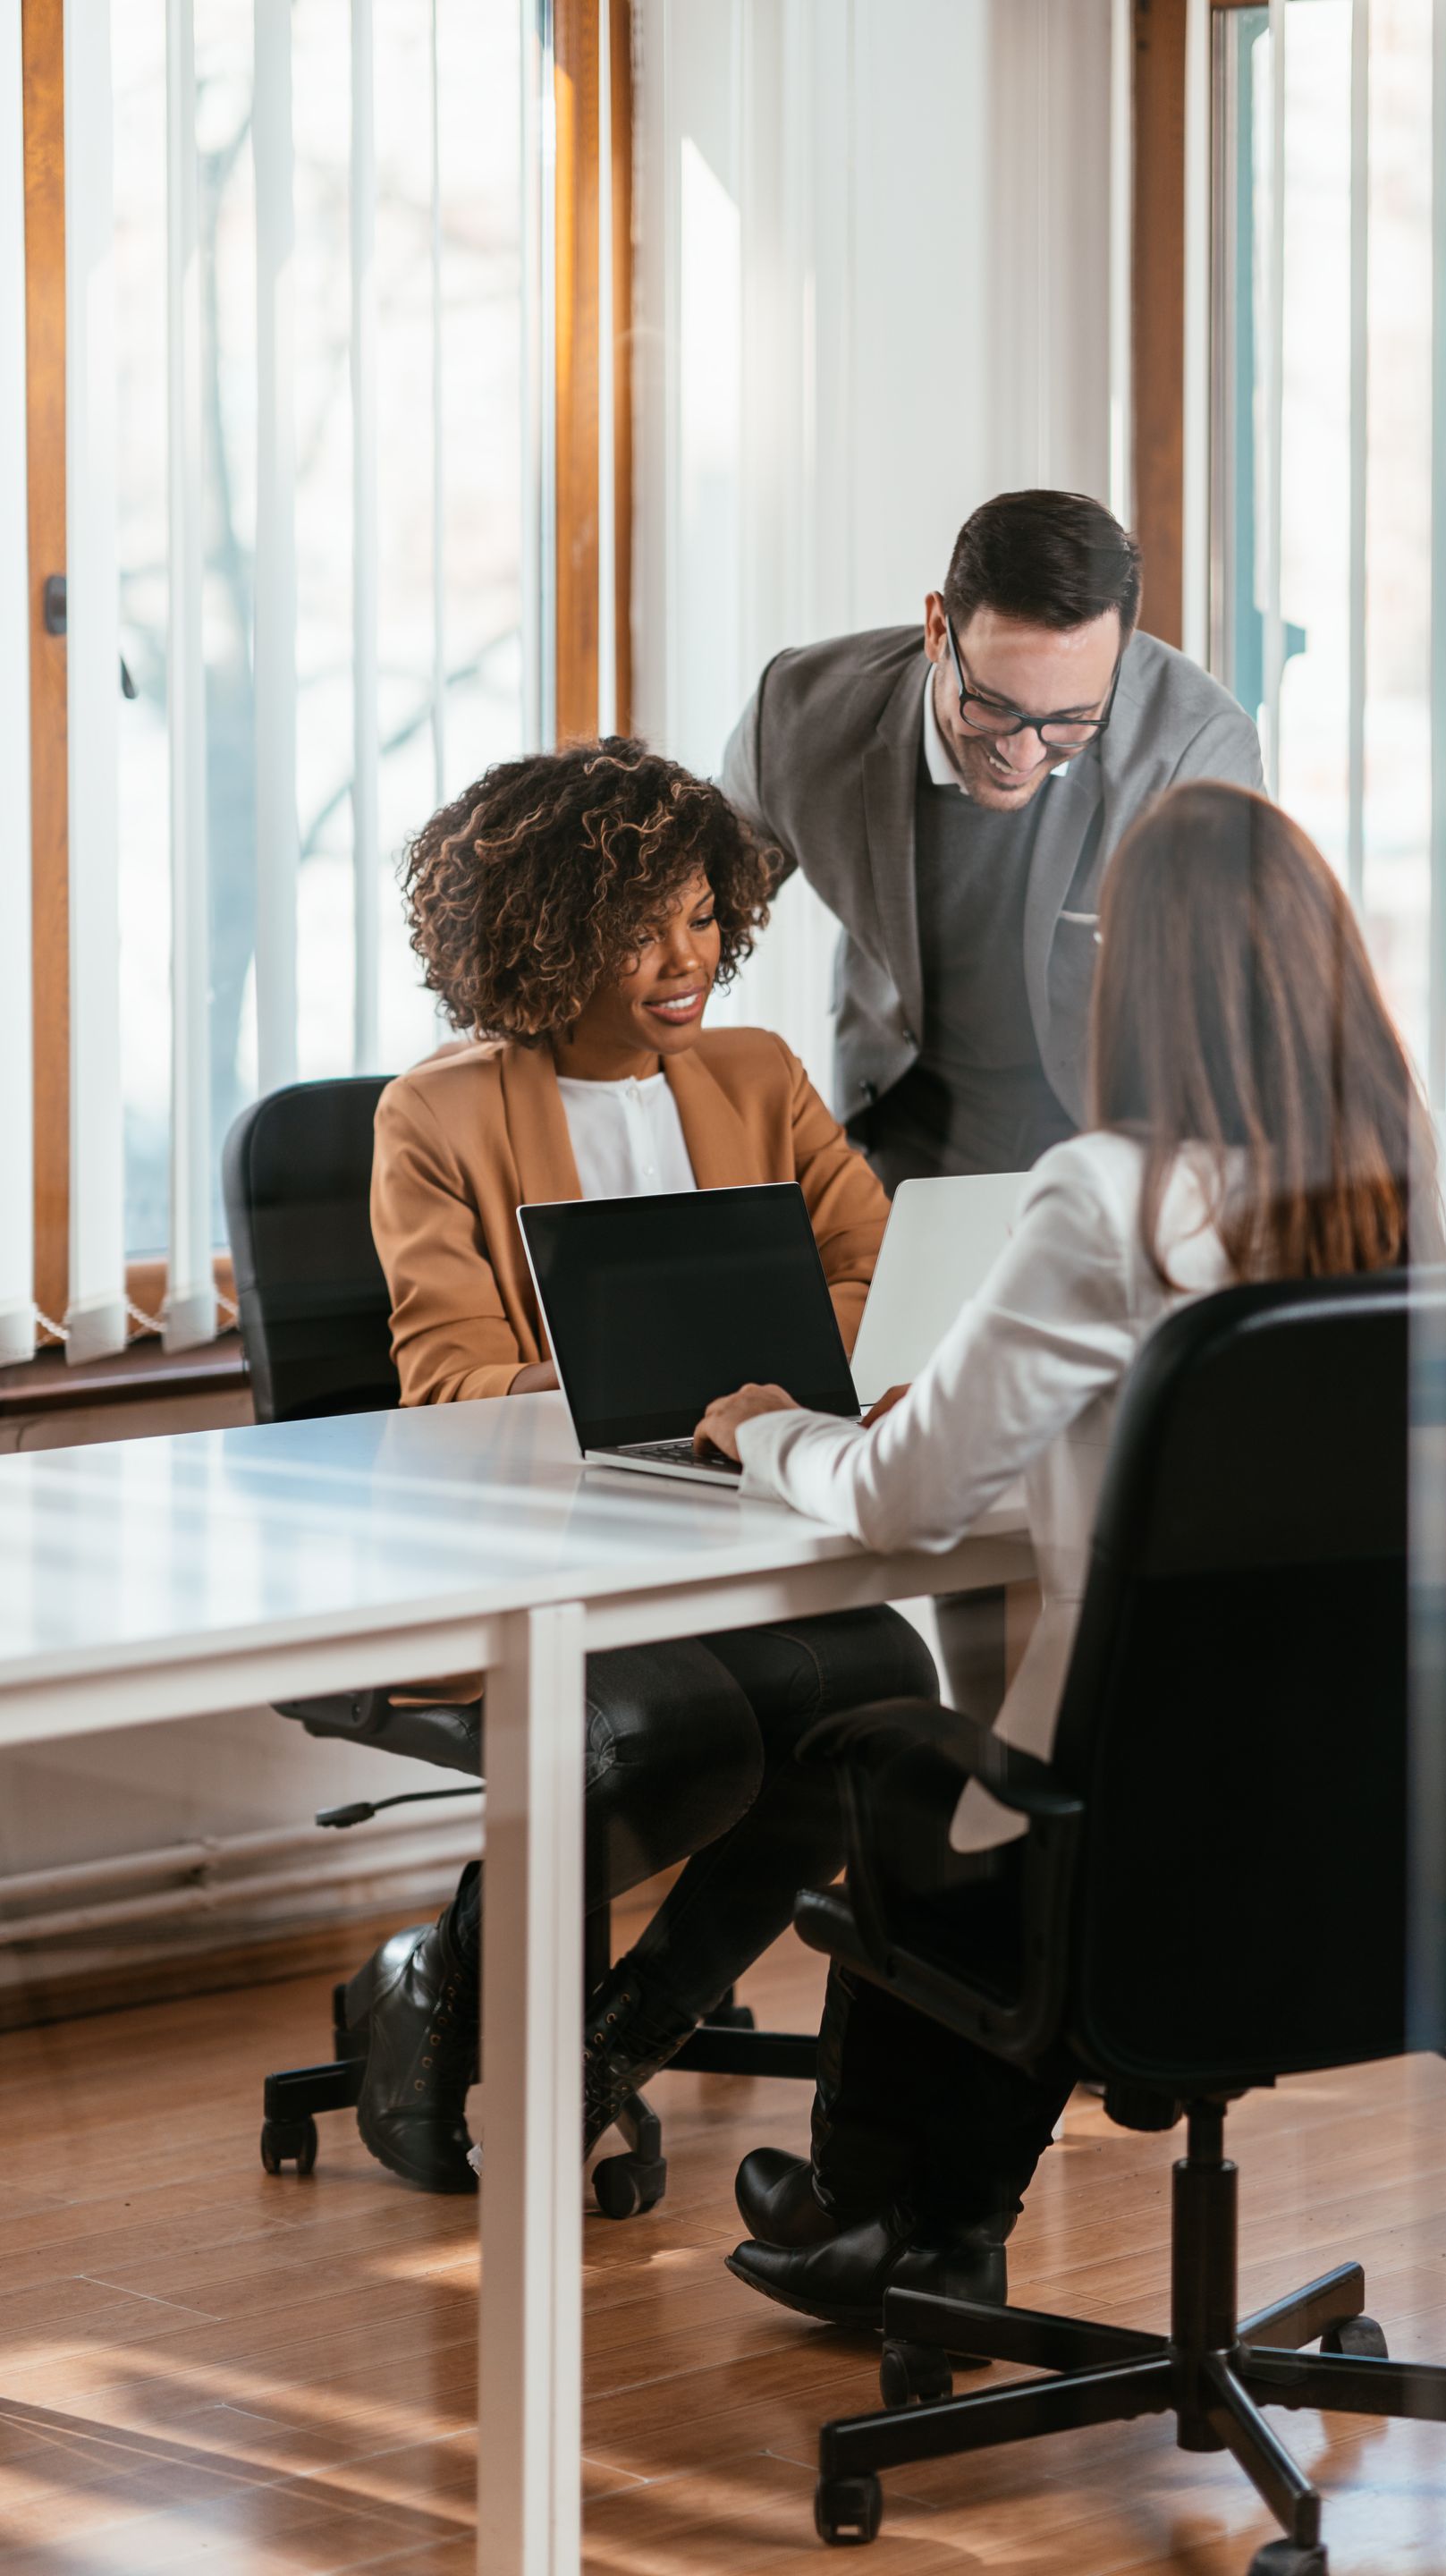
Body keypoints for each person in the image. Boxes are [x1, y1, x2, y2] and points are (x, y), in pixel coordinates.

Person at [691, 780, 1444, 2326]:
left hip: (1151, 1831)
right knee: (1018, 1798)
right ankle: (941, 2232)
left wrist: (772, 1428)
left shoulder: (1110, 1194)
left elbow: (900, 1501)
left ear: (1137, 983)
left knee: (910, 1770)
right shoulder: (1403, 1184)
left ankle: (872, 2209)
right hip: (1359, 1819)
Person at [350, 738, 937, 2193]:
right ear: (548, 931)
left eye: (702, 916)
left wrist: (759, 1382)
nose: (688, 960)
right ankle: (441, 1979)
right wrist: (634, 1390)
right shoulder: (439, 1115)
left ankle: (610, 2042)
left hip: (739, 1511)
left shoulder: (756, 1074)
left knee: (880, 1705)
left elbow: (881, 1266)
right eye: (639, 926)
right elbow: (449, 1379)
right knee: (691, 1740)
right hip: (542, 1546)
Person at [723, 487, 1261, 1716]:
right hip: (912, 1149)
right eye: (993, 708)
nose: (1023, 752)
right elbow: (689, 926)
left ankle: (1042, 1809)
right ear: (936, 629)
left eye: (1071, 723)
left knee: (1075, 1522)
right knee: (943, 1510)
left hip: (1109, 1164)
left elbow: (1216, 1010)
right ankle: (1010, 1812)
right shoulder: (800, 715)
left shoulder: (1191, 742)